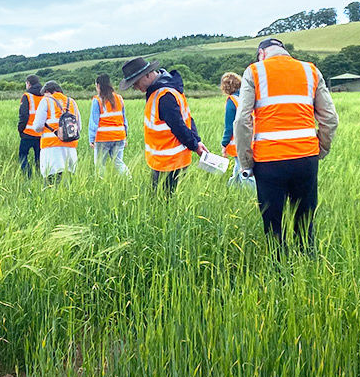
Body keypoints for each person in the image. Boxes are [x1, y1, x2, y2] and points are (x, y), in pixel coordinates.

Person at [233, 38, 339, 250]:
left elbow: (242, 120)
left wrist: (246, 163)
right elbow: (330, 118)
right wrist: (321, 149)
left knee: (273, 226)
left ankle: (278, 271)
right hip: (305, 158)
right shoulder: (311, 71)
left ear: (262, 54)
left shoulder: (254, 71)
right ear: (284, 51)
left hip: (269, 161)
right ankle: (306, 266)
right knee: (305, 222)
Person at [120, 57, 207, 194]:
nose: (136, 88)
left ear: (147, 74)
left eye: (135, 83)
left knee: (163, 205)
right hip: (165, 161)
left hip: (170, 163)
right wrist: (197, 140)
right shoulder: (165, 88)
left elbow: (179, 126)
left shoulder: (164, 96)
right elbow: (187, 118)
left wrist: (195, 145)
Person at [32, 80, 81, 184]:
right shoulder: (72, 102)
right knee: (68, 183)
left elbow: (37, 126)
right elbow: (79, 127)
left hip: (51, 148)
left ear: (47, 91)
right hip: (70, 149)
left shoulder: (46, 101)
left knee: (50, 183)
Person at [89, 73, 130, 176]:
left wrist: (92, 139)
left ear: (98, 86)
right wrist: (125, 137)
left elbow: (94, 122)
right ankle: (129, 180)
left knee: (100, 164)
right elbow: (124, 120)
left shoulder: (97, 100)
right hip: (119, 136)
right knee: (118, 162)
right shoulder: (119, 98)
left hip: (103, 137)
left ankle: (101, 183)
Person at [219, 72, 253, 188]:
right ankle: (229, 190)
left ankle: (253, 196)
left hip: (238, 143)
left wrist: (224, 144)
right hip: (251, 139)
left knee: (244, 173)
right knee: (238, 169)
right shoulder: (245, 98)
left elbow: (229, 127)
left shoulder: (231, 101)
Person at [17, 75, 45, 177]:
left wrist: (21, 129)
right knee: (39, 157)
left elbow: (23, 115)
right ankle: (40, 175)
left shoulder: (27, 96)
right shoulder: (45, 96)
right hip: (41, 133)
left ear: (28, 83)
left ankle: (28, 176)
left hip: (28, 133)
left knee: (23, 156)